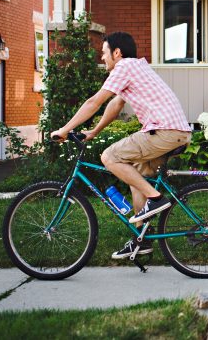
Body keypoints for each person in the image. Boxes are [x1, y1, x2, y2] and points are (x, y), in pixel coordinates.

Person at [51, 32, 192, 259]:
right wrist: (94, 131)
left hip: (164, 131)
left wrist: (64, 129)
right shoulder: (137, 67)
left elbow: (94, 102)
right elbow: (115, 105)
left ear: (117, 52)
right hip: (175, 132)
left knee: (109, 157)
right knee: (135, 177)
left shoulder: (124, 67)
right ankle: (142, 239)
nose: (102, 58)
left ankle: (156, 200)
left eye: (104, 53)